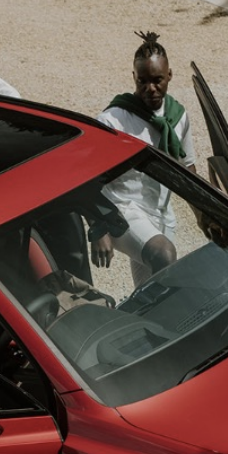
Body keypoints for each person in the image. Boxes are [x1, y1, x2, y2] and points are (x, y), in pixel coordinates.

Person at [90, 31, 198, 285]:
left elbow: (188, 168)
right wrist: (97, 226)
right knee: (164, 254)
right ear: (134, 78)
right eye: (142, 81)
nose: (150, 88)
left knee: (147, 287)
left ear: (169, 75)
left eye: (157, 80)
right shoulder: (112, 121)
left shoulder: (178, 116)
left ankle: (141, 322)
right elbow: (86, 179)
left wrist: (207, 213)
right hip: (120, 210)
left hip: (161, 212)